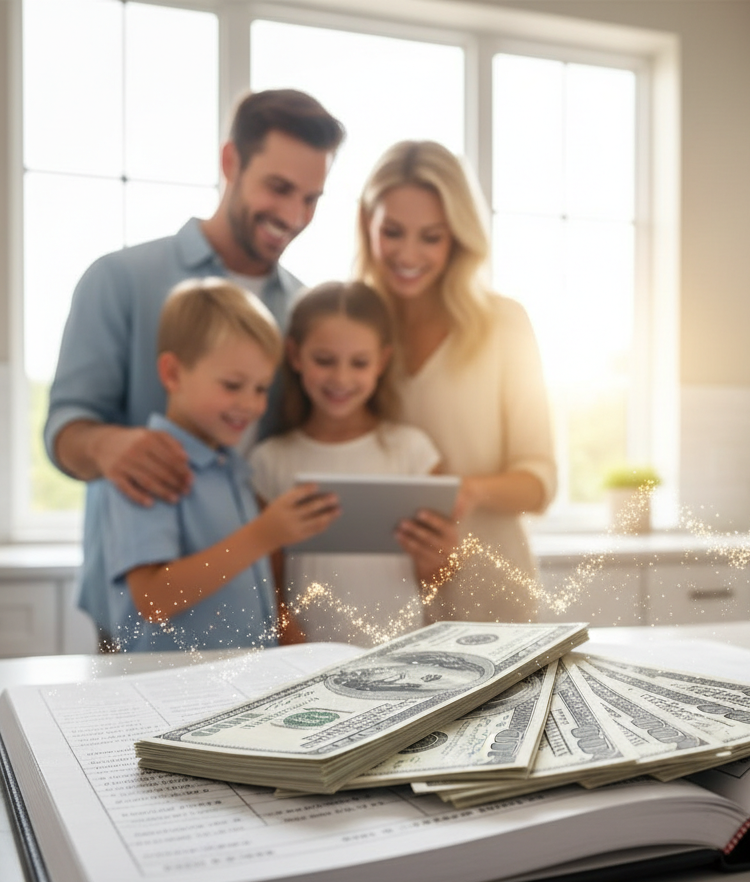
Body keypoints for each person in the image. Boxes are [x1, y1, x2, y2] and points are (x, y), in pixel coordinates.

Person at [43, 89, 345, 643]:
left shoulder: (302, 310)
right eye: (279, 188)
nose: (294, 215)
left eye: (312, 198)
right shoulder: (120, 280)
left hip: (251, 610)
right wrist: (110, 447)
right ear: (231, 162)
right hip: (147, 616)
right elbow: (67, 426)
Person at [355, 140, 557, 622]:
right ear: (368, 226)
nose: (408, 253)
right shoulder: (354, 328)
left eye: (431, 236)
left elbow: (541, 481)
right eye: (393, 232)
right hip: (385, 599)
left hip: (492, 594)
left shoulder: (505, 323)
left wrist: (466, 490)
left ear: (459, 237)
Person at [99, 279, 338, 653]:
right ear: (173, 374)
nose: (250, 404)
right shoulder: (147, 468)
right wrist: (265, 534)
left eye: (261, 388)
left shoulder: (232, 469)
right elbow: (153, 598)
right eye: (232, 385)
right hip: (171, 693)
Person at [249, 281, 452, 645]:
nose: (341, 378)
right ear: (295, 355)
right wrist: (297, 648)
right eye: (324, 360)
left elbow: (437, 580)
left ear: (382, 361)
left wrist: (435, 563)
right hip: (306, 660)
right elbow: (268, 587)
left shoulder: (414, 452)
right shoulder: (270, 462)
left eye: (359, 363)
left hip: (401, 652)